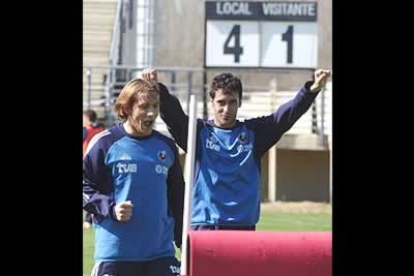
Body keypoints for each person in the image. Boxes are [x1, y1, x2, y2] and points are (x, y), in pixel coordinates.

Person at [142, 68, 331, 231]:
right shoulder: (197, 133)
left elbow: (284, 117)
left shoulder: (254, 134)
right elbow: (174, 115)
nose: (226, 109)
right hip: (205, 224)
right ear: (211, 102)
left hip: (243, 226)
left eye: (232, 102)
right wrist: (158, 89)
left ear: (240, 102)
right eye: (221, 102)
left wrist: (311, 90)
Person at [83, 78, 184, 276]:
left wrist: (183, 240)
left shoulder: (166, 146)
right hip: (116, 254)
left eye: (155, 106)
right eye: (144, 106)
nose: (151, 113)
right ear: (127, 108)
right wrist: (110, 208)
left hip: (160, 254)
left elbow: (177, 198)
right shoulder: (104, 143)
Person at [83, 109, 105, 229]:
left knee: (88, 190)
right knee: (94, 190)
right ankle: (89, 218)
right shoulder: (102, 130)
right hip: (99, 163)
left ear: (86, 118)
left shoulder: (86, 130)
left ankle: (88, 219)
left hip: (87, 163)